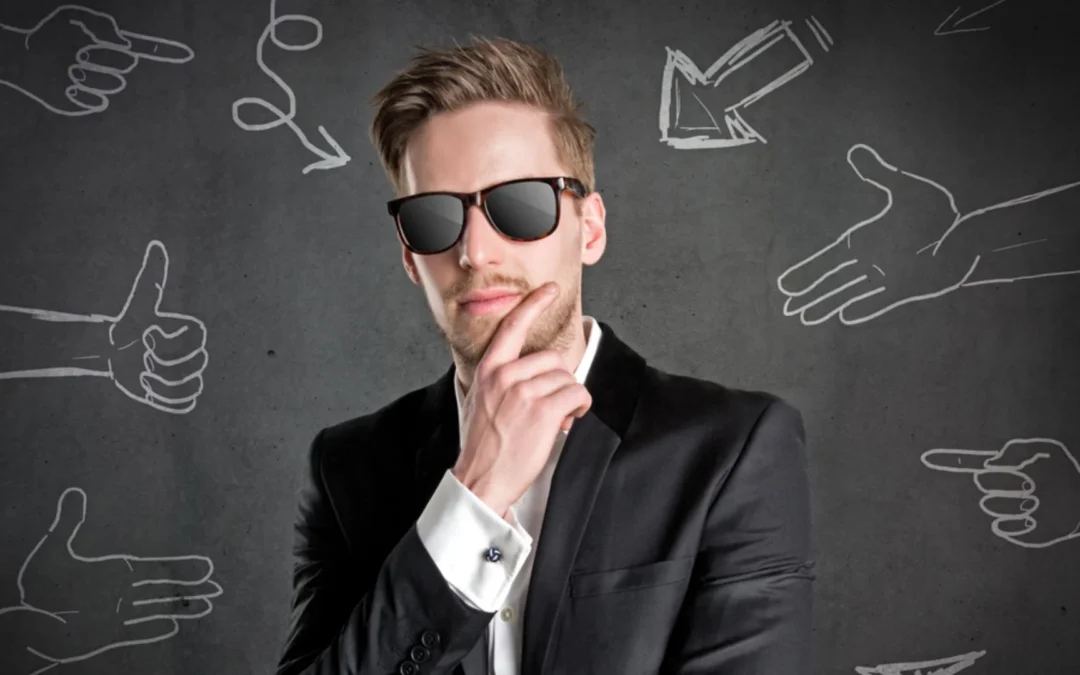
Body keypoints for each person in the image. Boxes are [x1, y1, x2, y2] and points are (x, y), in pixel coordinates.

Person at [275, 36, 814, 675]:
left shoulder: (731, 449)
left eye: (519, 206)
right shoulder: (349, 467)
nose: (474, 251)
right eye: (433, 218)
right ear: (407, 256)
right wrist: (473, 497)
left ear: (589, 228)